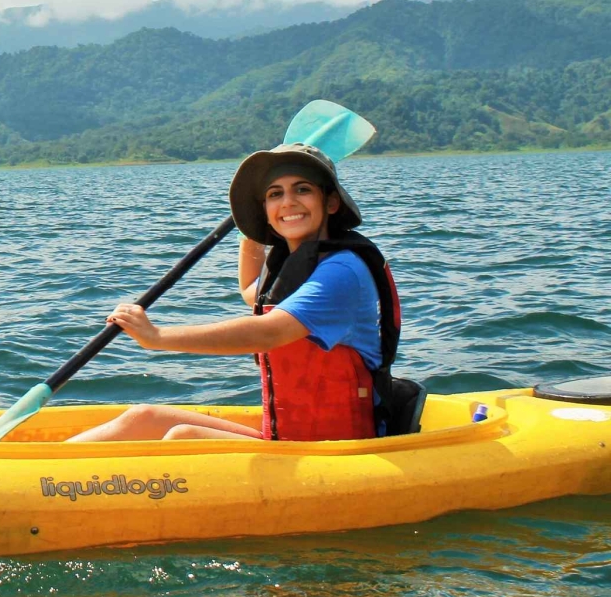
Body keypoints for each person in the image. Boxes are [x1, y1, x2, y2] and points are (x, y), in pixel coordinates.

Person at [68, 141, 401, 443]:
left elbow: (269, 332)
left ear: (329, 202)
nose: (288, 202)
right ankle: (38, 477)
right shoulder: (296, 267)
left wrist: (157, 336)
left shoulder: (342, 271)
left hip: (335, 450)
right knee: (144, 419)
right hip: (285, 439)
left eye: (302, 190)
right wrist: (250, 227)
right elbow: (250, 290)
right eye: (274, 194)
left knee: (184, 438)